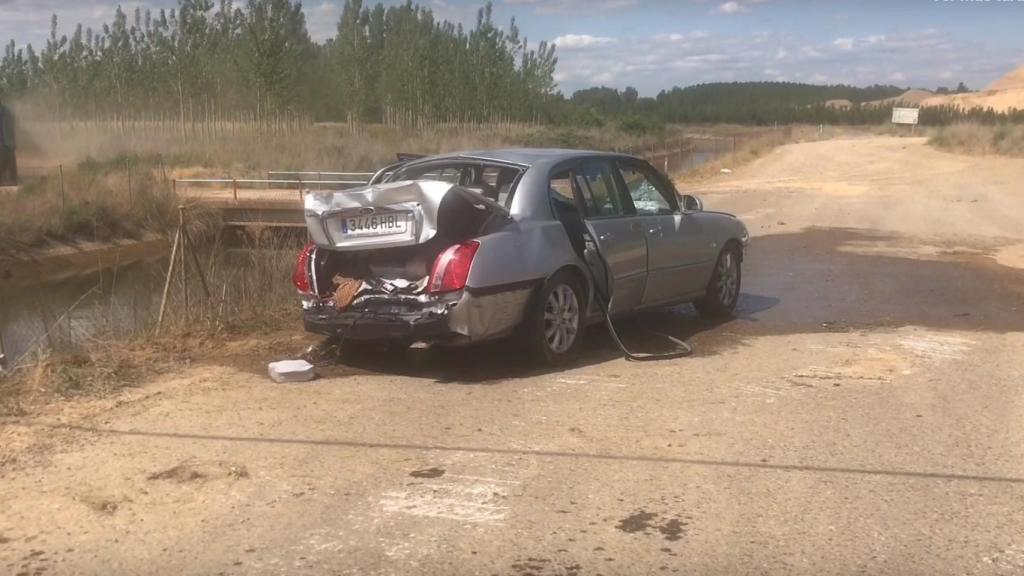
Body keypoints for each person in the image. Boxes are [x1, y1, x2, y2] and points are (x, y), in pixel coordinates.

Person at [0, 102, 17, 186]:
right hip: (8, 145)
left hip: (6, 145)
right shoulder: (7, 111)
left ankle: (13, 181)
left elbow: (10, 129)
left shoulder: (6, 111)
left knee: (9, 165)